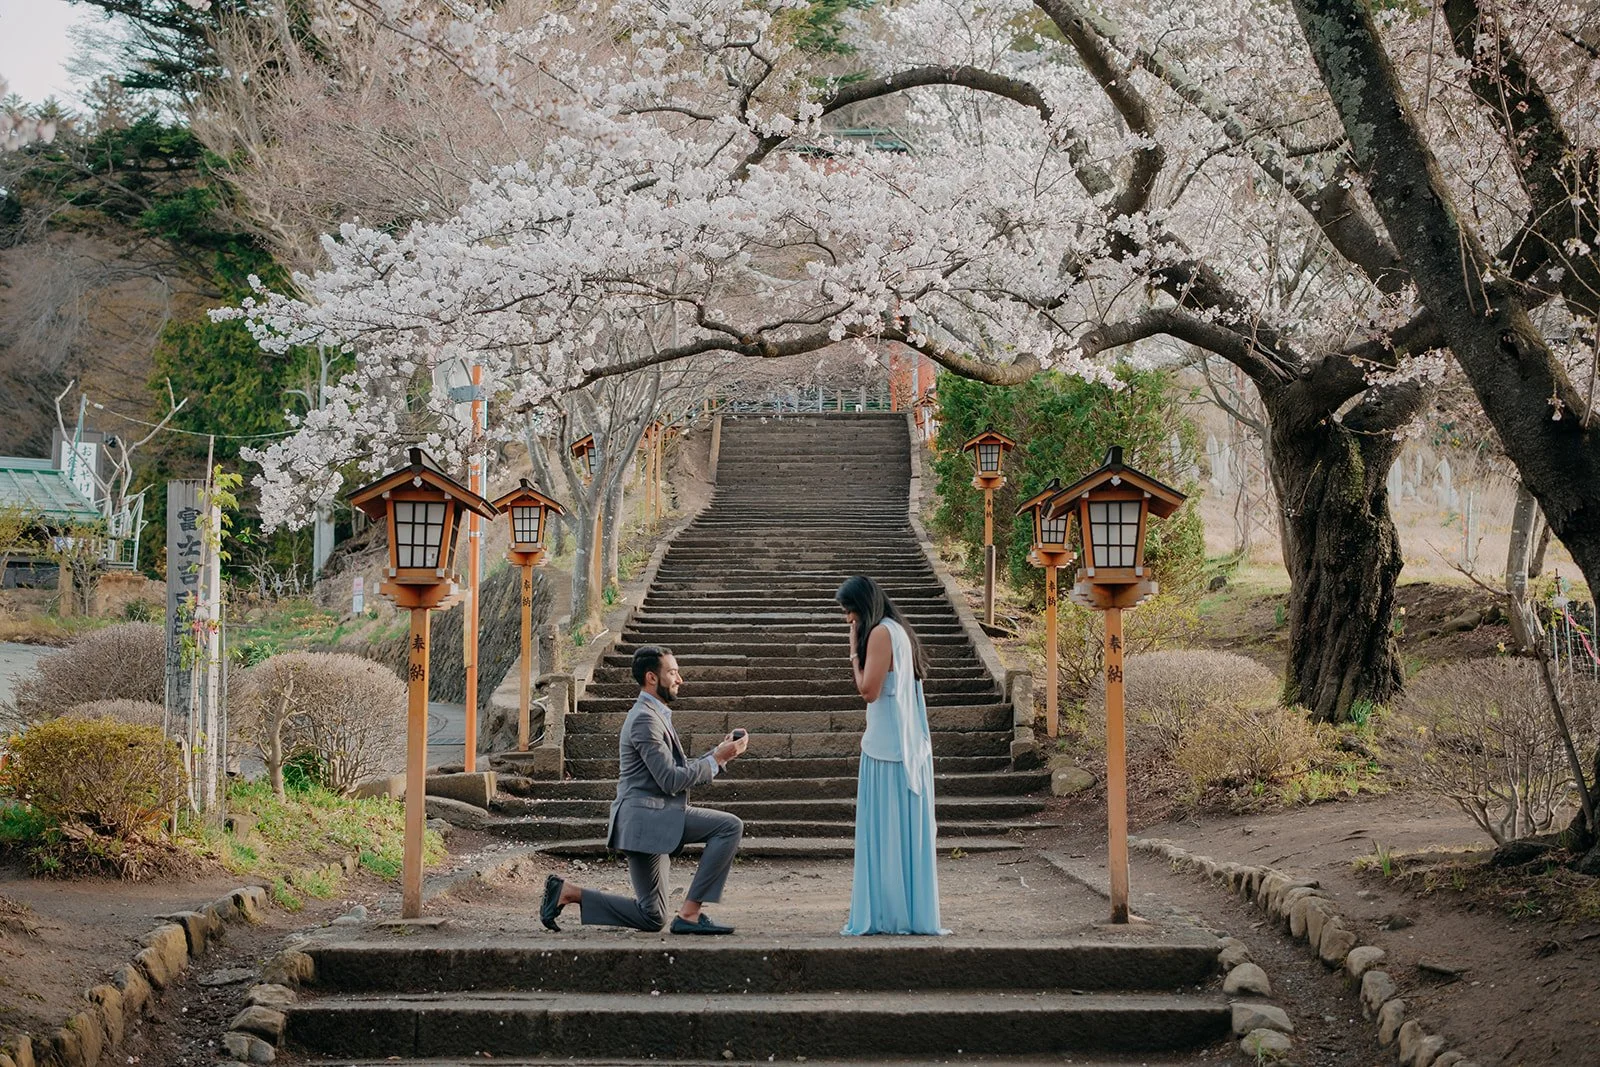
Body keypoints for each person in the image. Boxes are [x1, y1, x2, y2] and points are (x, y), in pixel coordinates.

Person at [540, 646, 749, 935]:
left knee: (651, 917)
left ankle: (569, 892)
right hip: (646, 819)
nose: (680, 679)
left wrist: (719, 753)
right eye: (673, 672)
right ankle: (690, 914)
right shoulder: (644, 719)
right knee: (729, 827)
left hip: (653, 818)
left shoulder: (654, 713)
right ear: (652, 678)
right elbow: (670, 780)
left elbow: (675, 769)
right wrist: (718, 759)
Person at [835, 575, 948, 936]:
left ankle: (887, 915)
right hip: (900, 747)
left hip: (889, 751)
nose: (847, 620)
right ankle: (897, 911)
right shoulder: (897, 630)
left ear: (863, 608)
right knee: (896, 834)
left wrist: (853, 650)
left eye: (849, 612)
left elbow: (868, 690)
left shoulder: (882, 634)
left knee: (886, 834)